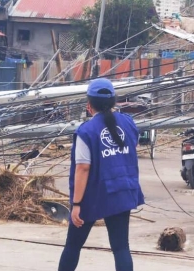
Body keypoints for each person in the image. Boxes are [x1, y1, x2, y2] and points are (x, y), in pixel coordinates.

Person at [58, 78, 145, 271]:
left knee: (73, 245)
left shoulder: (86, 131)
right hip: (122, 190)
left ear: (89, 105)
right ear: (114, 102)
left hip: (93, 196)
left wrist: (77, 204)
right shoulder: (129, 123)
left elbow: (83, 168)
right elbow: (133, 147)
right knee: (121, 247)